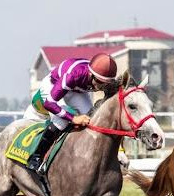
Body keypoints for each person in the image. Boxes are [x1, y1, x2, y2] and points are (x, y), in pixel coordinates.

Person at [23, 53, 119, 188]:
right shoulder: (74, 74)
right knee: (61, 121)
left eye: (106, 84)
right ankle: (36, 157)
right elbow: (49, 103)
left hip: (77, 91)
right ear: (91, 75)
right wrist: (73, 118)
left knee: (92, 120)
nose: (102, 87)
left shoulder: (101, 79)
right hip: (54, 87)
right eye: (100, 83)